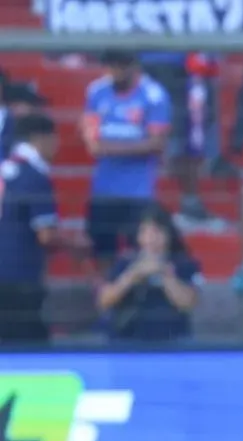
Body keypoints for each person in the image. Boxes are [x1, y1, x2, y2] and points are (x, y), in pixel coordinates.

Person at [81, 50, 171, 273]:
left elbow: (157, 144)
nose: (114, 71)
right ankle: (108, 300)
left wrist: (108, 146)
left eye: (119, 65)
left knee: (140, 252)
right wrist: (138, 144)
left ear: (133, 65)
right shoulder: (96, 91)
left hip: (138, 193)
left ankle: (135, 300)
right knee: (102, 252)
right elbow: (93, 145)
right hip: (103, 191)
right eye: (110, 66)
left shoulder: (153, 94)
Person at [96, 204, 201, 342]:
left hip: (172, 340)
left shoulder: (184, 264)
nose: (150, 239)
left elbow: (188, 303)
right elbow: (104, 301)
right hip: (127, 340)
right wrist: (132, 275)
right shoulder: (125, 262)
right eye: (144, 232)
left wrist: (165, 275)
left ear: (168, 234)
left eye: (156, 232)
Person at [0, 113, 60, 343]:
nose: (57, 146)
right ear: (40, 138)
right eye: (55, 139)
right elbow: (46, 236)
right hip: (20, 278)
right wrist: (75, 246)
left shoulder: (5, 169)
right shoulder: (35, 176)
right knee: (30, 344)